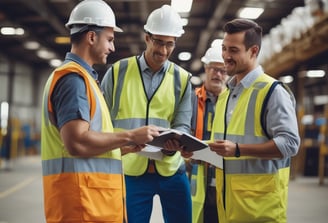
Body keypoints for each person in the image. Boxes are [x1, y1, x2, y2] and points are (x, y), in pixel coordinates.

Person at [40, 0, 159, 222]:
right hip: (82, 206)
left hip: (92, 204)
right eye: (110, 39)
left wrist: (122, 146)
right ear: (91, 37)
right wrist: (130, 135)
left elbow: (89, 143)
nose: (113, 48)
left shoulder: (86, 80)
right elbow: (77, 143)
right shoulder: (73, 80)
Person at [101, 5, 193, 223]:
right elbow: (101, 121)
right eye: (159, 42)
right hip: (130, 170)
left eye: (169, 44)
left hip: (171, 170)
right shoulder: (117, 72)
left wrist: (175, 145)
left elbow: (182, 123)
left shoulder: (182, 78)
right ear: (147, 38)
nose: (163, 50)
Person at [208, 18, 300, 223]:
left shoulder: (272, 92)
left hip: (261, 211)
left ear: (253, 51)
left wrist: (239, 149)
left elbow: (290, 144)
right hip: (228, 209)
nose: (225, 56)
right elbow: (226, 148)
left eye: (233, 50)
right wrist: (200, 153)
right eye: (224, 48)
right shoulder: (225, 95)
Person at [189, 45, 228, 223]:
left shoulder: (234, 102)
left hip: (225, 177)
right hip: (197, 177)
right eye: (214, 68)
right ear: (206, 69)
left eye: (223, 70)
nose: (218, 74)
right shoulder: (191, 99)